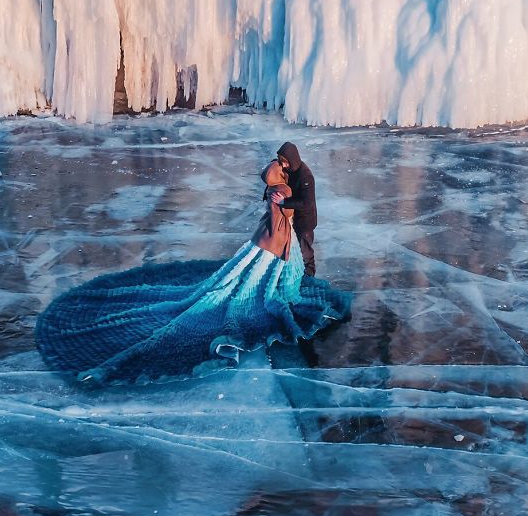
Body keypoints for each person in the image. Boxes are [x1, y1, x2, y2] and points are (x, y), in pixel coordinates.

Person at [34, 156, 349, 385]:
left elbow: (285, 213)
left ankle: (274, 277)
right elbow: (286, 213)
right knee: (242, 298)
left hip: (272, 240)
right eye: (279, 165)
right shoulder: (282, 188)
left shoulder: (281, 187)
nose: (280, 165)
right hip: (273, 241)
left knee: (243, 284)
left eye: (281, 162)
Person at [275, 142, 317, 276]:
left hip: (305, 222)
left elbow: (307, 203)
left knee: (305, 252)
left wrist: (283, 202)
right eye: (282, 162)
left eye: (285, 162)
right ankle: (297, 273)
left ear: (292, 160)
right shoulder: (291, 170)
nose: (283, 166)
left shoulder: (305, 176)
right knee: (294, 249)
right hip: (295, 218)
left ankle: (309, 277)